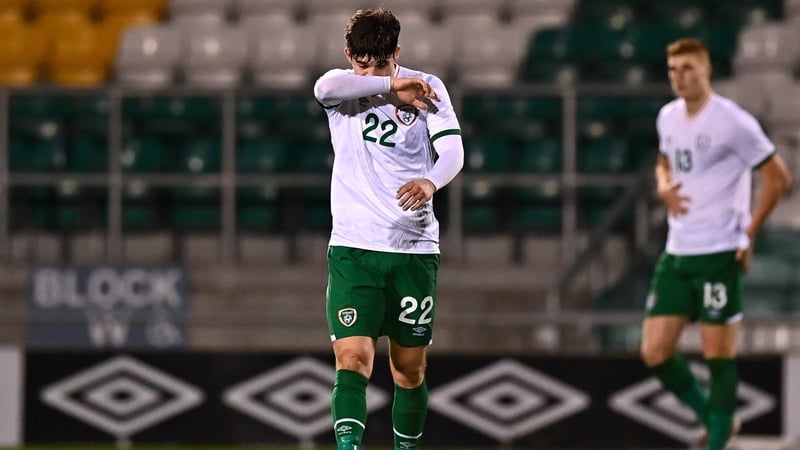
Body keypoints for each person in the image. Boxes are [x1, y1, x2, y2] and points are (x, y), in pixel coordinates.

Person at [313, 8, 464, 450]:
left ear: (396, 52)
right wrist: (387, 85)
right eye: (362, 63)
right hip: (354, 249)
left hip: (412, 248)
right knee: (353, 358)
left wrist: (430, 180)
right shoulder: (344, 89)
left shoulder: (428, 88)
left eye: (381, 63)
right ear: (349, 56)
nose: (371, 70)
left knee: (408, 371)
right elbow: (324, 86)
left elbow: (454, 151)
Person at [640, 38, 792, 450]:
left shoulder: (732, 121)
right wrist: (663, 184)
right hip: (678, 251)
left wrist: (749, 234)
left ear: (707, 70)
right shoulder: (667, 117)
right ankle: (717, 419)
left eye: (688, 68)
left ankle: (717, 439)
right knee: (655, 351)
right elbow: (664, 158)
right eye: (673, 70)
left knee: (717, 356)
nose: (680, 77)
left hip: (719, 252)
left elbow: (779, 177)